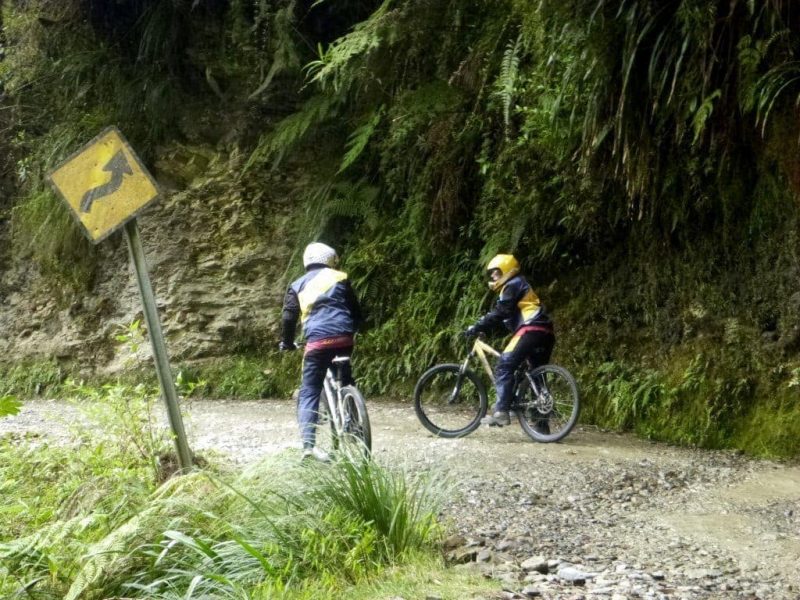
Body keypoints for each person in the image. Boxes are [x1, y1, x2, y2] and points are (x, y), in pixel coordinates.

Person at [279, 242, 362, 461]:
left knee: (309, 390)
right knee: (345, 377)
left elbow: (288, 317)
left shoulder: (297, 285)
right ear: (329, 260)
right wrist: (354, 329)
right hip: (344, 338)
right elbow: (355, 309)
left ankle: (308, 446)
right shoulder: (340, 277)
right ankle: (353, 420)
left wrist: (286, 343)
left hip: (317, 343)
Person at [464, 254, 555, 428]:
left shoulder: (512, 285)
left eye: (496, 272)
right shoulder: (519, 285)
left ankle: (501, 411)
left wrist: (476, 326)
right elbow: (506, 316)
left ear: (506, 270)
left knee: (505, 364)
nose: (492, 276)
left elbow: (501, 312)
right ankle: (541, 427)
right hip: (545, 331)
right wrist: (485, 328)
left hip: (531, 329)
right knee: (536, 376)